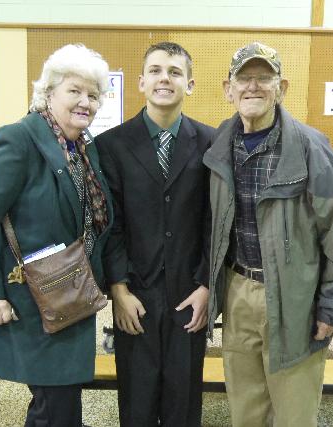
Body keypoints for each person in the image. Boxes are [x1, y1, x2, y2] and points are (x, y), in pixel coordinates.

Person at [203, 41, 333, 426]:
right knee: (246, 410)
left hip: (296, 298)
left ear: (282, 88)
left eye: (264, 78)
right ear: (228, 89)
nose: (253, 86)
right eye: (244, 78)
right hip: (237, 291)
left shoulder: (311, 148)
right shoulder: (219, 146)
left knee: (294, 412)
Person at [0, 44, 113, 427]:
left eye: (93, 95)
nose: (85, 102)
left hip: (71, 298)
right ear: (48, 93)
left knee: (58, 404)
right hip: (34, 304)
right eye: (74, 91)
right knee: (55, 407)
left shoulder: (81, 148)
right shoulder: (19, 140)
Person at [95, 42, 214, 427]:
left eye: (175, 72)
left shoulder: (211, 143)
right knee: (137, 398)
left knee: (183, 400)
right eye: (156, 71)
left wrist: (207, 285)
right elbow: (110, 224)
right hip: (136, 293)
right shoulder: (110, 145)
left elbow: (215, 221)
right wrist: (118, 290)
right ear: (141, 82)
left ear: (189, 84)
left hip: (189, 292)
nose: (165, 78)